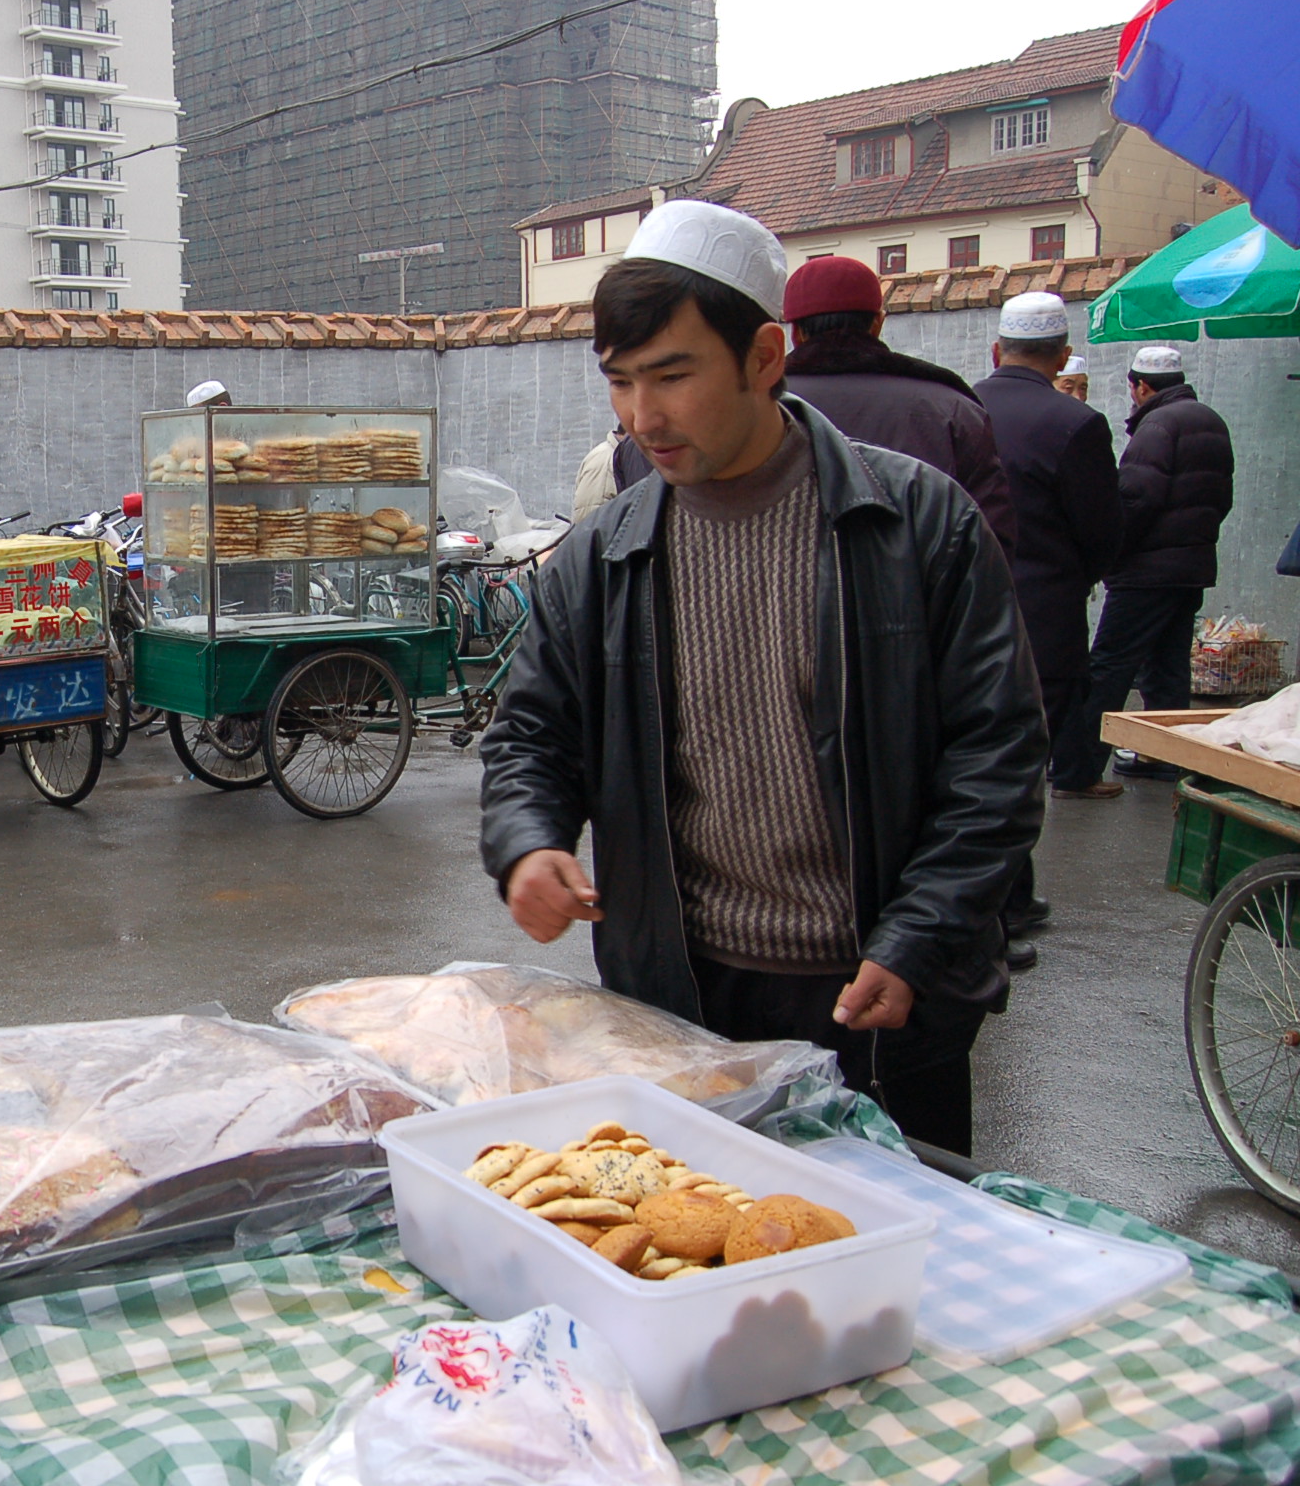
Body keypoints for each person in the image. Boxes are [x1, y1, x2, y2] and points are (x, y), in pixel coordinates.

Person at [478, 200, 1045, 1157]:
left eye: (672, 376)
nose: (640, 416)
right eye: (620, 382)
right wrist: (529, 843)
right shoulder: (606, 552)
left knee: (891, 1270)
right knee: (695, 1250)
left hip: (877, 994)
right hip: (679, 999)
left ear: (766, 358)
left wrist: (915, 940)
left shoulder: (917, 524)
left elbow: (996, 760)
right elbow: (533, 733)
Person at [973, 293, 1125, 808]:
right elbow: (1101, 527)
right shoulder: (1076, 423)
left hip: (962, 598)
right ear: (1062, 356)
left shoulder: (959, 405)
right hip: (1048, 603)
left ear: (997, 351)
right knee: (1036, 727)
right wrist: (1081, 575)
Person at [779, 255, 1017, 556]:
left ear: (794, 332)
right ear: (878, 323)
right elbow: (992, 543)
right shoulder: (954, 409)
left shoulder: (757, 408)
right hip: (921, 600)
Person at [1073, 344, 1235, 785]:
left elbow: (1136, 499)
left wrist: (1110, 552)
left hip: (1146, 572)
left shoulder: (1157, 426)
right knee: (1167, 665)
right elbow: (1221, 498)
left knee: (1110, 665)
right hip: (1191, 566)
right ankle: (1164, 755)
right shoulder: (1210, 420)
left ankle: (1079, 762)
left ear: (1140, 386)